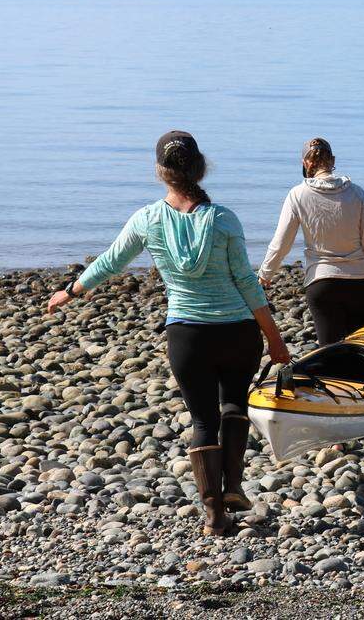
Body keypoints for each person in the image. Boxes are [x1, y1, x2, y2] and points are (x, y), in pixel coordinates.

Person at [46, 131, 290, 537]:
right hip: (237, 332)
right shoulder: (224, 219)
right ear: (200, 168)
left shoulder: (148, 219)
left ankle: (213, 514)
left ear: (161, 172)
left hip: (187, 335)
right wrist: (275, 337)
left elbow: (110, 262)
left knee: (202, 420)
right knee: (234, 405)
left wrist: (71, 291)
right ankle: (233, 487)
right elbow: (248, 283)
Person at [258, 137, 364, 346]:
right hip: (360, 285)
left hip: (322, 284)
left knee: (330, 351)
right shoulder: (357, 193)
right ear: (332, 160)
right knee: (356, 349)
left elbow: (281, 244)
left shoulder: (297, 195)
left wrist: (264, 276)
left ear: (305, 163)